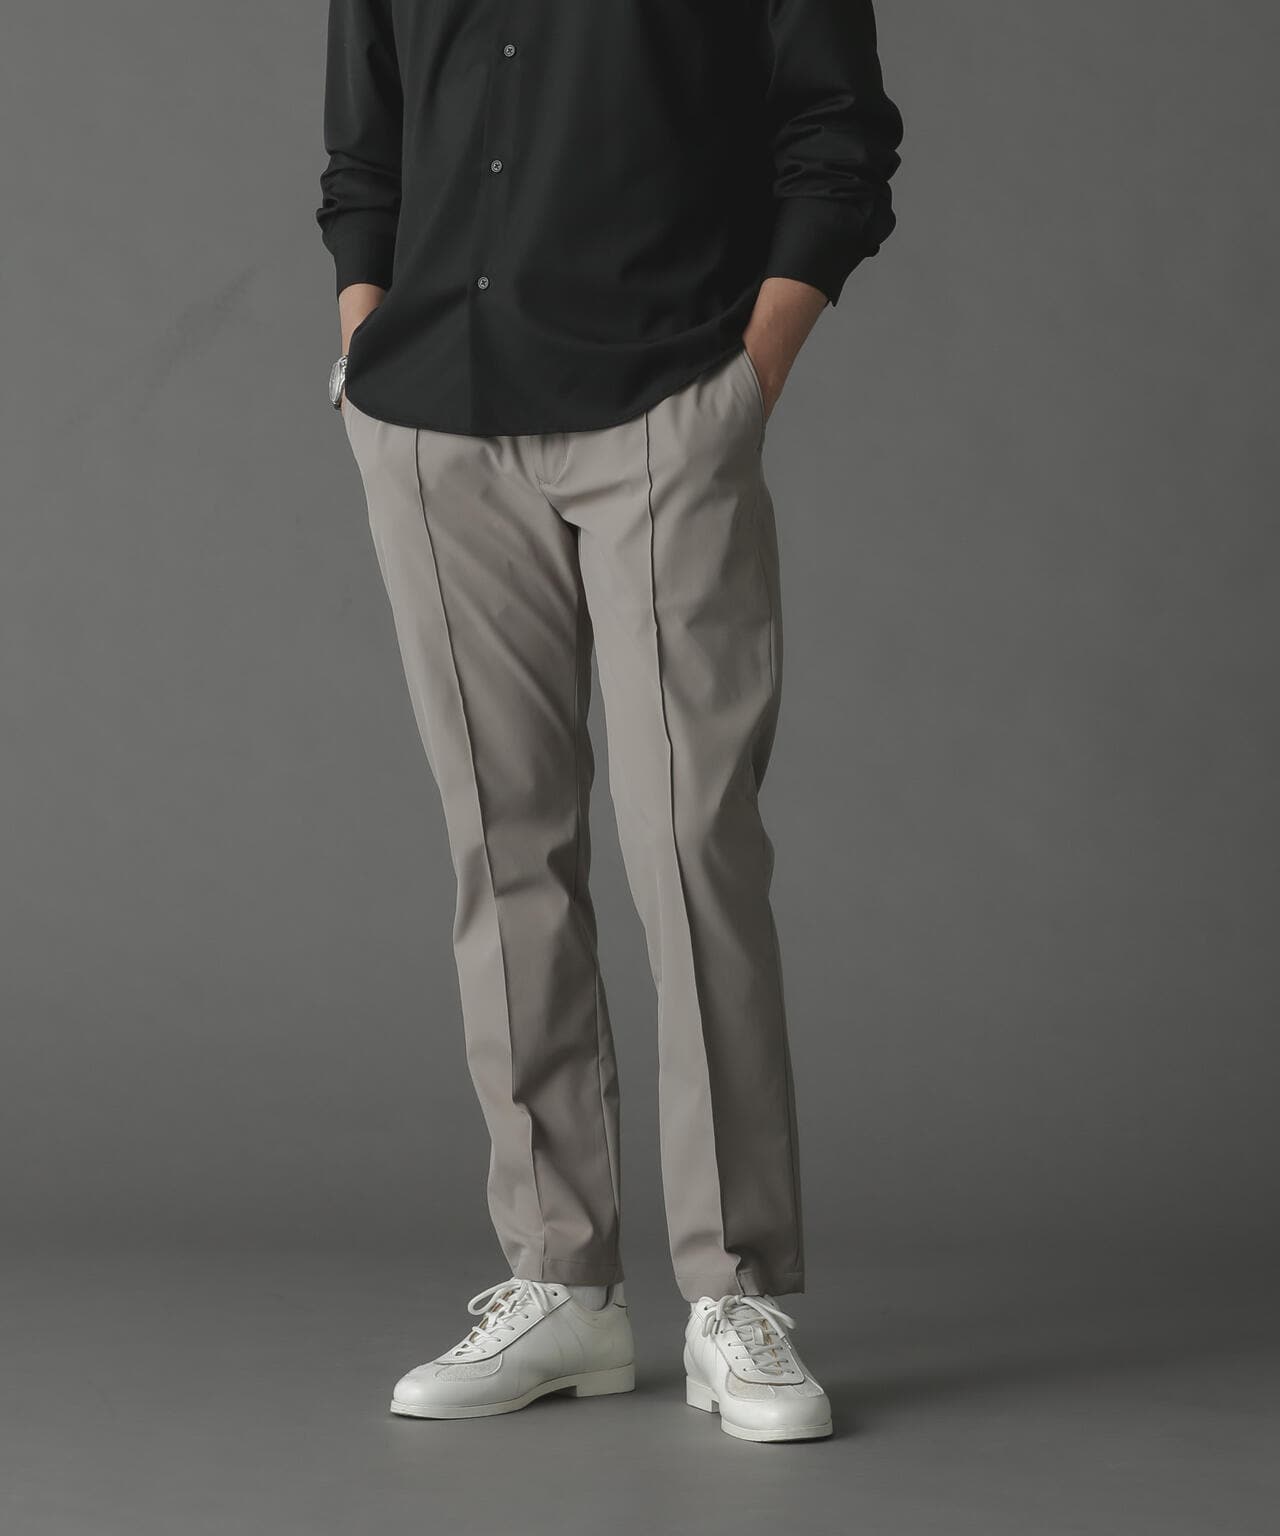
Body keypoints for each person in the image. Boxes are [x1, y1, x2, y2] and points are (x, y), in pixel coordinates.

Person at [316, 0, 902, 1442]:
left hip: (664, 403)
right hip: (435, 418)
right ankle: (560, 1281)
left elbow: (839, 136)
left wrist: (748, 377)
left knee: (693, 846)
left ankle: (732, 1290)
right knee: (503, 850)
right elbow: (365, 152)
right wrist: (364, 337)